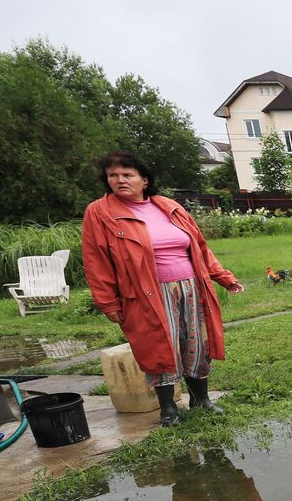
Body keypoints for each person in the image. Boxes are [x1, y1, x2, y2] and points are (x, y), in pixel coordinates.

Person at [82, 151, 244, 426]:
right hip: (148, 293)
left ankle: (201, 400)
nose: (119, 180)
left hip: (191, 286)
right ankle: (168, 408)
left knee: (196, 341)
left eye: (127, 175)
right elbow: (96, 261)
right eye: (113, 176)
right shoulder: (100, 213)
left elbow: (200, 248)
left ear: (144, 180)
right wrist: (107, 302)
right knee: (161, 347)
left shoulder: (169, 206)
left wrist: (224, 277)